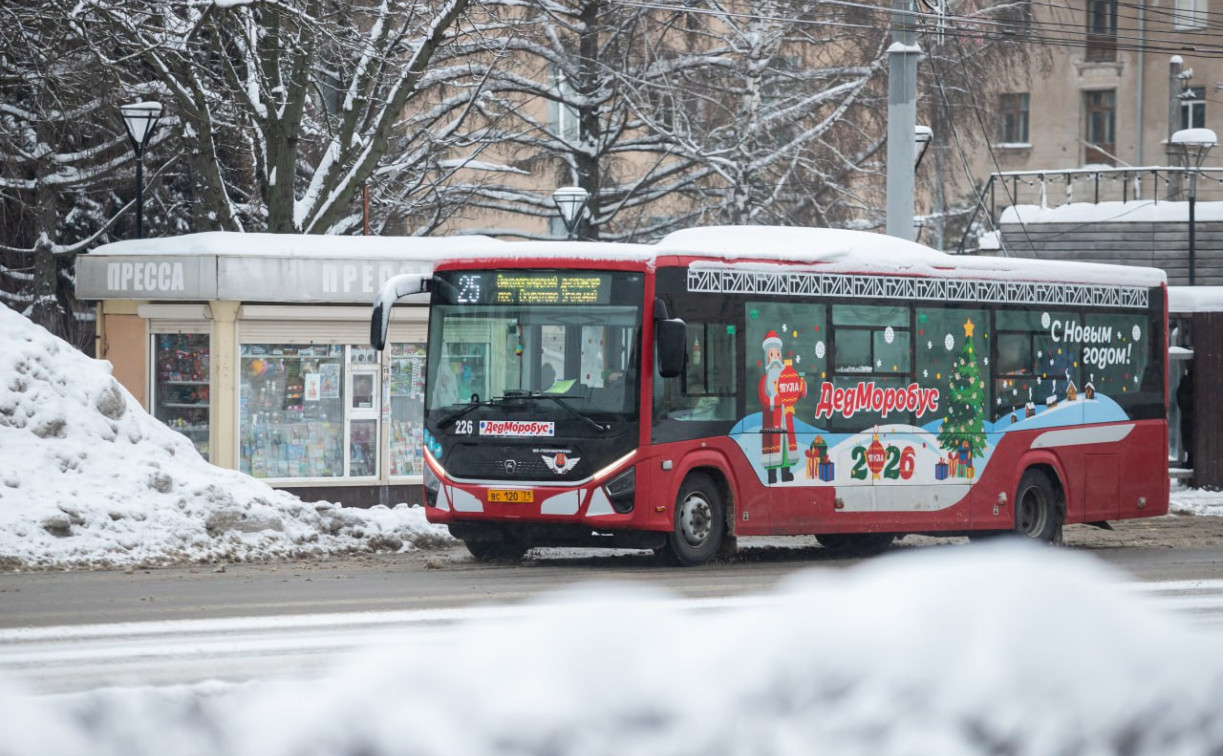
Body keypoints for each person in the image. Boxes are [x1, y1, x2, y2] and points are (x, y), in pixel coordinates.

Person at [1177, 365, 1194, 468]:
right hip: (1190, 419)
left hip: (1187, 418)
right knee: (1190, 443)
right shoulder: (1189, 383)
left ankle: (1190, 462)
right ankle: (1190, 462)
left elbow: (1181, 401)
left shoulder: (1184, 382)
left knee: (1189, 443)